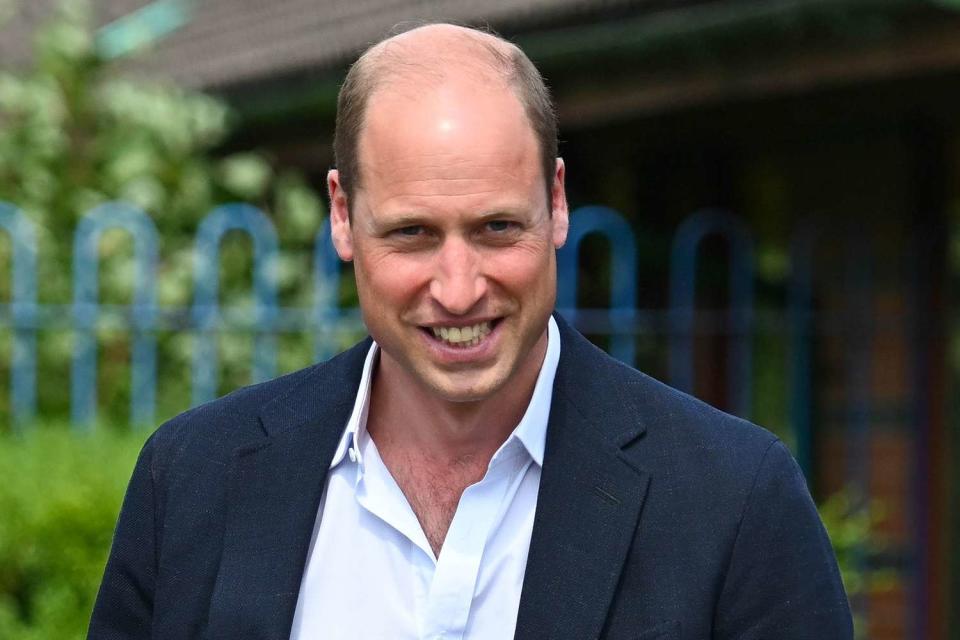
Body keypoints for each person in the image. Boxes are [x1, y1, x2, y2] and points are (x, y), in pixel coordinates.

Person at [88, 23, 852, 640]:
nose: (458, 289)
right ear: (343, 216)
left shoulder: (735, 499)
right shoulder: (190, 480)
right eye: (414, 234)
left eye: (495, 228)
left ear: (556, 203)